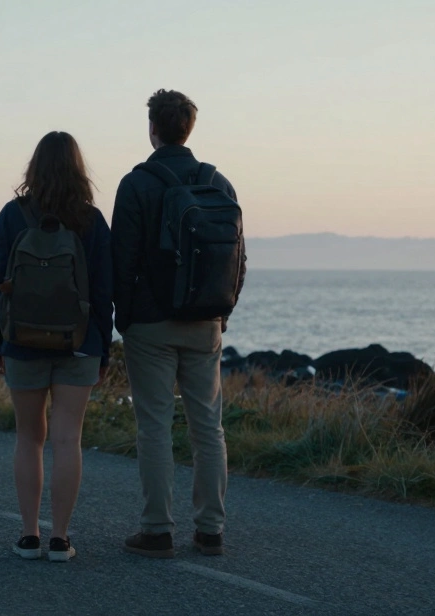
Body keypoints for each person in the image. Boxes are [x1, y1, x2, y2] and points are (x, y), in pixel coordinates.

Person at [112, 90, 247, 558]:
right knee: (208, 427)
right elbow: (238, 260)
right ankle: (211, 530)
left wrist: (124, 318)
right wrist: (221, 315)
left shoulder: (136, 184)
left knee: (154, 427)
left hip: (150, 325)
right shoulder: (219, 183)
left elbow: (121, 261)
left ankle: (157, 530)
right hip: (205, 322)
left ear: (153, 128)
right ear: (189, 128)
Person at [0, 131, 113, 563]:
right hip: (80, 344)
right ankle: (60, 539)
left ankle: (28, 536)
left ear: (33, 167)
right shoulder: (91, 221)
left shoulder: (10, 216)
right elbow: (104, 291)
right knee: (68, 439)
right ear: (79, 168)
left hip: (21, 342)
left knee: (29, 438)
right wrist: (103, 349)